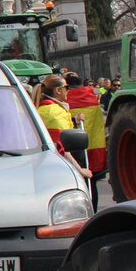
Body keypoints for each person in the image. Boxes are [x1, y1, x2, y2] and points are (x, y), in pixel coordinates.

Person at [33, 75, 92, 179]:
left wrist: (73, 121)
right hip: (58, 168)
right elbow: (61, 147)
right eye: (67, 88)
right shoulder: (55, 112)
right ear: (58, 90)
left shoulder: (42, 109)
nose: (68, 91)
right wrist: (80, 170)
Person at [65, 74, 106, 210]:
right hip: (93, 145)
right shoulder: (92, 96)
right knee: (92, 181)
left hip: (72, 146)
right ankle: (93, 209)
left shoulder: (65, 98)